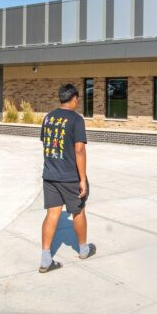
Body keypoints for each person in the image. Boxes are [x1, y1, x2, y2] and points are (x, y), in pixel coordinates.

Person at [39, 83, 96, 273]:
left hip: (50, 174)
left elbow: (47, 143)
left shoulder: (48, 118)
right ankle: (83, 249)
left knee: (52, 214)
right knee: (78, 211)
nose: (77, 102)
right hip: (69, 176)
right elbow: (79, 149)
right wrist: (82, 179)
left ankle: (45, 258)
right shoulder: (76, 119)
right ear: (73, 98)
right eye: (77, 99)